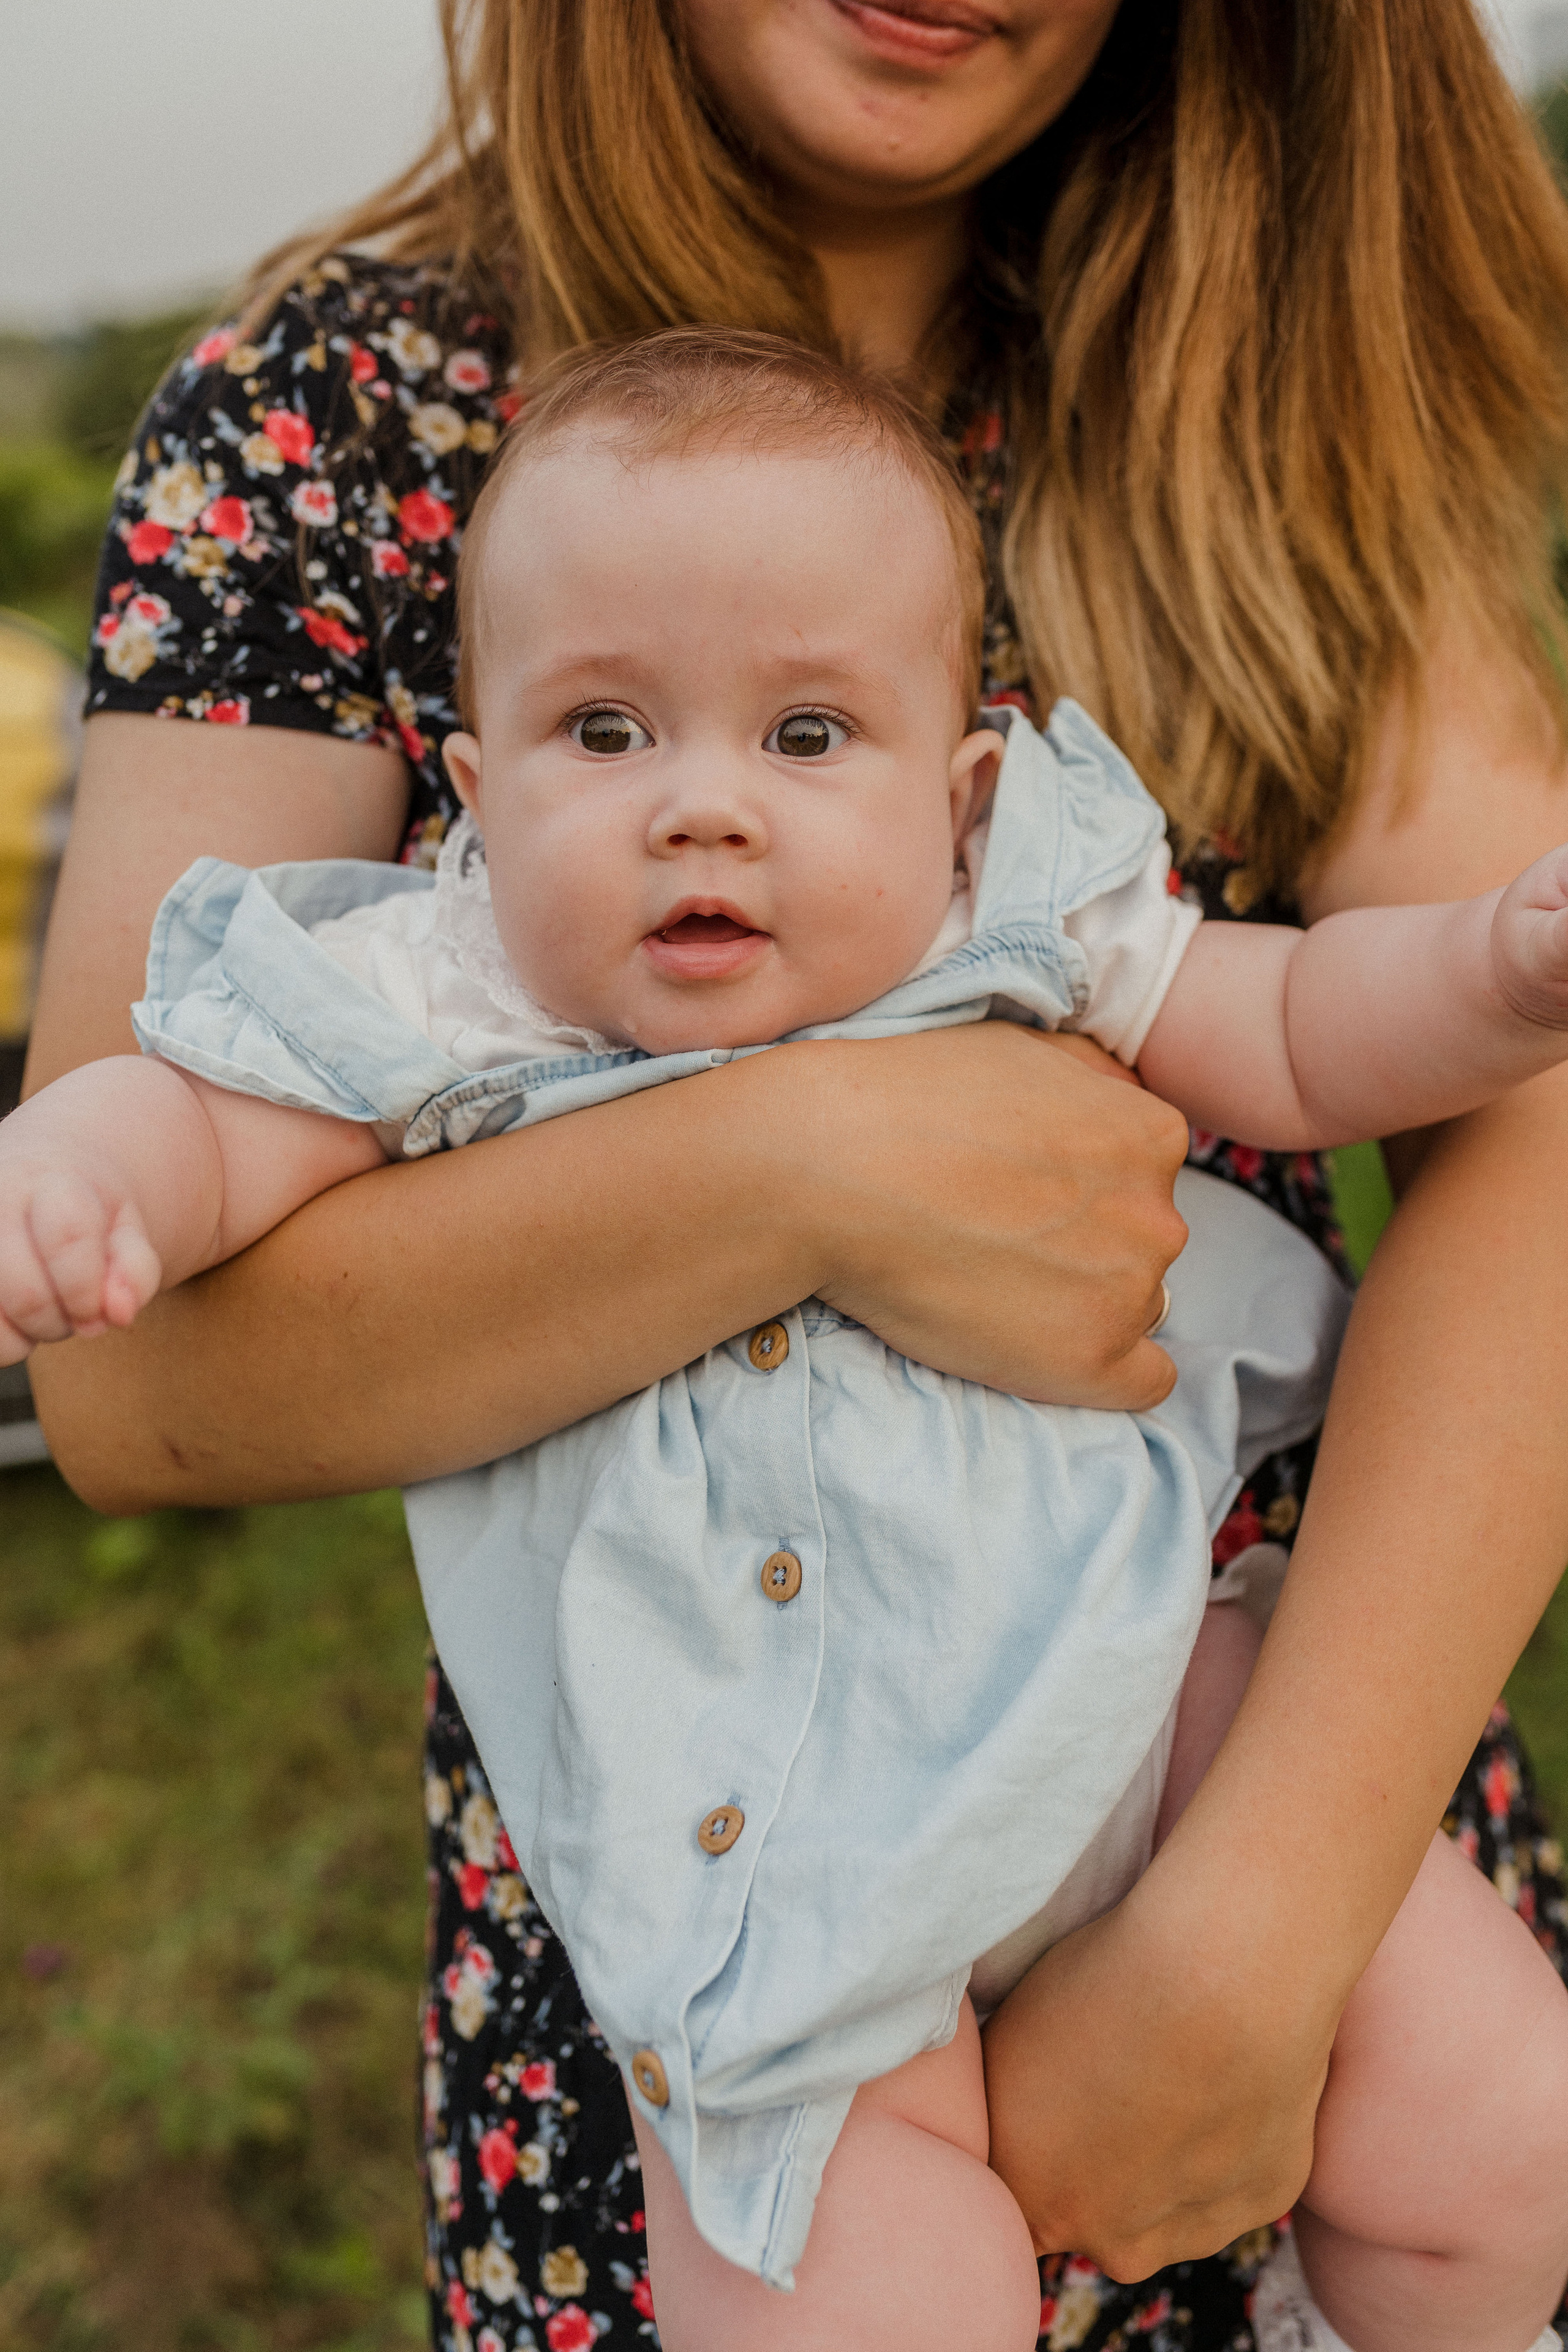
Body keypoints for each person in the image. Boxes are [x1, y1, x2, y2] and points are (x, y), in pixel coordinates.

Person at [22, 3, 1568, 2345]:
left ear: (969, 775)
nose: (704, 806)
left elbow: (1338, 1043)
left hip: (1228, 1745)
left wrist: (1499, 968)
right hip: (735, 1870)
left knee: (1492, 2153)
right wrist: (821, 1165)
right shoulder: (364, 496)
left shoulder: (1228, 388)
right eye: (609, 732)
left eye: (811, 732)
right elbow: (172, 1276)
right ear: (484, 756)